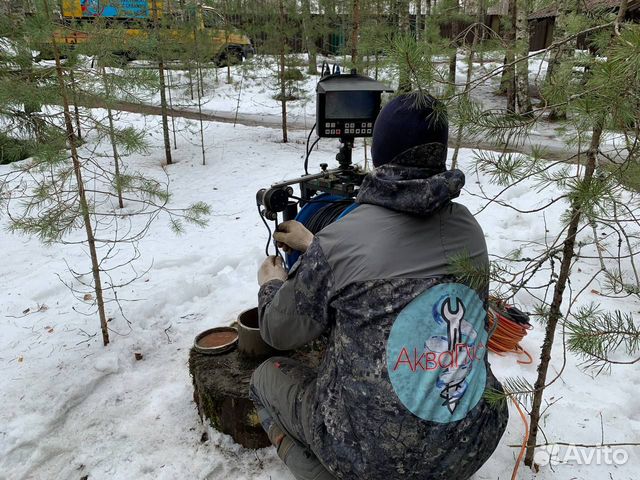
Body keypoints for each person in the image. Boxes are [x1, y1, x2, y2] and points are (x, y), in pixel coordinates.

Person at [250, 93, 509, 480]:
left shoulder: (341, 243)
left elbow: (278, 332)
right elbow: (401, 267)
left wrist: (272, 284)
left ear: (378, 152)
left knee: (263, 379)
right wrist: (315, 247)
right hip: (473, 440)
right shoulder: (469, 229)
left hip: (375, 462)